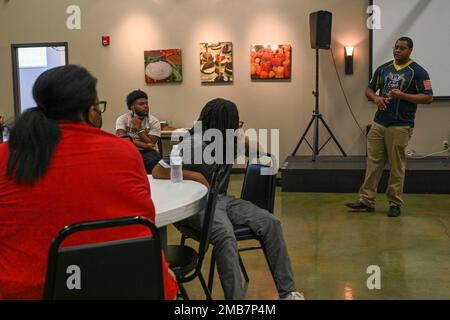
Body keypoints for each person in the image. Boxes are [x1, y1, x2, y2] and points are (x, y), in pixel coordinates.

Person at [0, 65, 178, 300]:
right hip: (131, 284)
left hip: (31, 289)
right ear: (90, 110)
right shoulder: (124, 152)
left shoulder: (6, 155)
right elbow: (145, 216)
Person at [152, 98, 304, 300]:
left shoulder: (230, 142)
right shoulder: (192, 143)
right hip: (196, 206)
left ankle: (288, 293)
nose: (238, 127)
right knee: (225, 235)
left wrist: (243, 140)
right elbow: (158, 171)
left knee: (271, 223)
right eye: (235, 123)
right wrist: (196, 177)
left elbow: (263, 152)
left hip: (222, 200)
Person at [346, 37, 433, 217]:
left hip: (401, 125)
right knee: (373, 163)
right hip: (379, 123)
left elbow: (428, 97)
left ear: (410, 50)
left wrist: (403, 95)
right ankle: (366, 200)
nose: (397, 51)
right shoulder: (383, 69)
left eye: (401, 48)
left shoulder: (418, 72)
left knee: (396, 166)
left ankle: (395, 203)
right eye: (395, 47)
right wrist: (376, 98)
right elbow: (369, 90)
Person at [116, 90, 162, 173]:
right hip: (129, 150)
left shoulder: (154, 121)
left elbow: (151, 144)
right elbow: (123, 139)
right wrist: (145, 145)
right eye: (141, 104)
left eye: (146, 103)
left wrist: (139, 128)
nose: (145, 106)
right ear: (132, 107)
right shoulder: (122, 119)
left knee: (153, 160)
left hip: (148, 152)